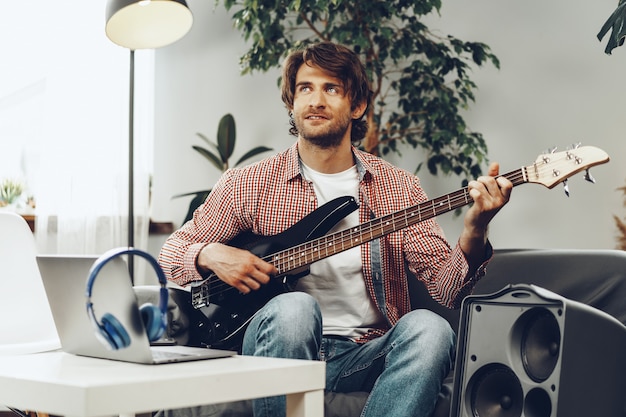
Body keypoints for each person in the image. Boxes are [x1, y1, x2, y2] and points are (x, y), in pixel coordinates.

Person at [158, 41, 512, 417]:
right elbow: (170, 254)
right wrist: (210, 253)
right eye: (305, 88)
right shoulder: (249, 183)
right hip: (277, 344)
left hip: (363, 354)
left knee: (431, 329)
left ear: (356, 106)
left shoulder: (399, 187)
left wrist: (476, 227)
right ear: (292, 103)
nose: (316, 100)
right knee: (295, 309)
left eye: (332, 89)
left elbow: (448, 290)